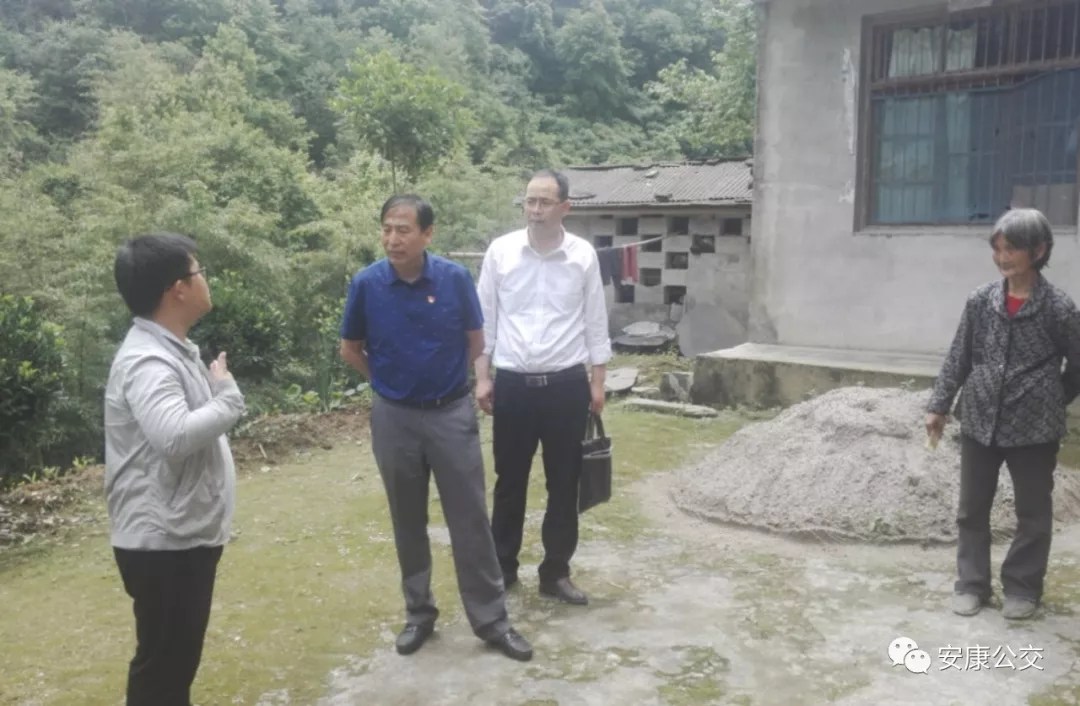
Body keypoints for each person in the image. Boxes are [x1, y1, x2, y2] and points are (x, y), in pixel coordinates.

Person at [339, 194, 533, 662]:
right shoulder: (367, 284)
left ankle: (492, 621)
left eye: (403, 230)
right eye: (387, 229)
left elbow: (476, 342)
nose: (393, 239)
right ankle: (419, 614)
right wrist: (388, 384)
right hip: (394, 418)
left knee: (470, 520)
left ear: (428, 234)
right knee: (407, 519)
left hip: (450, 414)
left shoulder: (454, 279)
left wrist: (446, 382)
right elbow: (350, 348)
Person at [104, 233, 245, 706]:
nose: (206, 280)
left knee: (173, 664)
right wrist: (228, 397)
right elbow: (175, 436)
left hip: (181, 535)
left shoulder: (170, 348)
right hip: (163, 543)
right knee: (163, 670)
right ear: (177, 289)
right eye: (199, 271)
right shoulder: (147, 360)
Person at [926, 208, 1080, 620]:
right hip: (979, 419)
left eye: (1011, 249)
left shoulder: (1059, 308)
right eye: (997, 249)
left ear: (1039, 251)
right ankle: (971, 584)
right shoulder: (981, 301)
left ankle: (1023, 589)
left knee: (1032, 513)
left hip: (1034, 427)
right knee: (971, 509)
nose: (1002, 257)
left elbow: (1077, 365)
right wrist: (939, 405)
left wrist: (1052, 397)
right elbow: (959, 355)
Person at [475, 169, 612, 606]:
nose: (534, 210)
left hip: (566, 386)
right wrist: (482, 376)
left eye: (544, 202)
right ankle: (502, 568)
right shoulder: (501, 252)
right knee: (509, 481)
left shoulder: (582, 256)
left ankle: (556, 572)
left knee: (564, 483)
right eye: (530, 201)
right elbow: (485, 321)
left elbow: (595, 321)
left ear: (564, 207)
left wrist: (597, 382)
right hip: (514, 385)